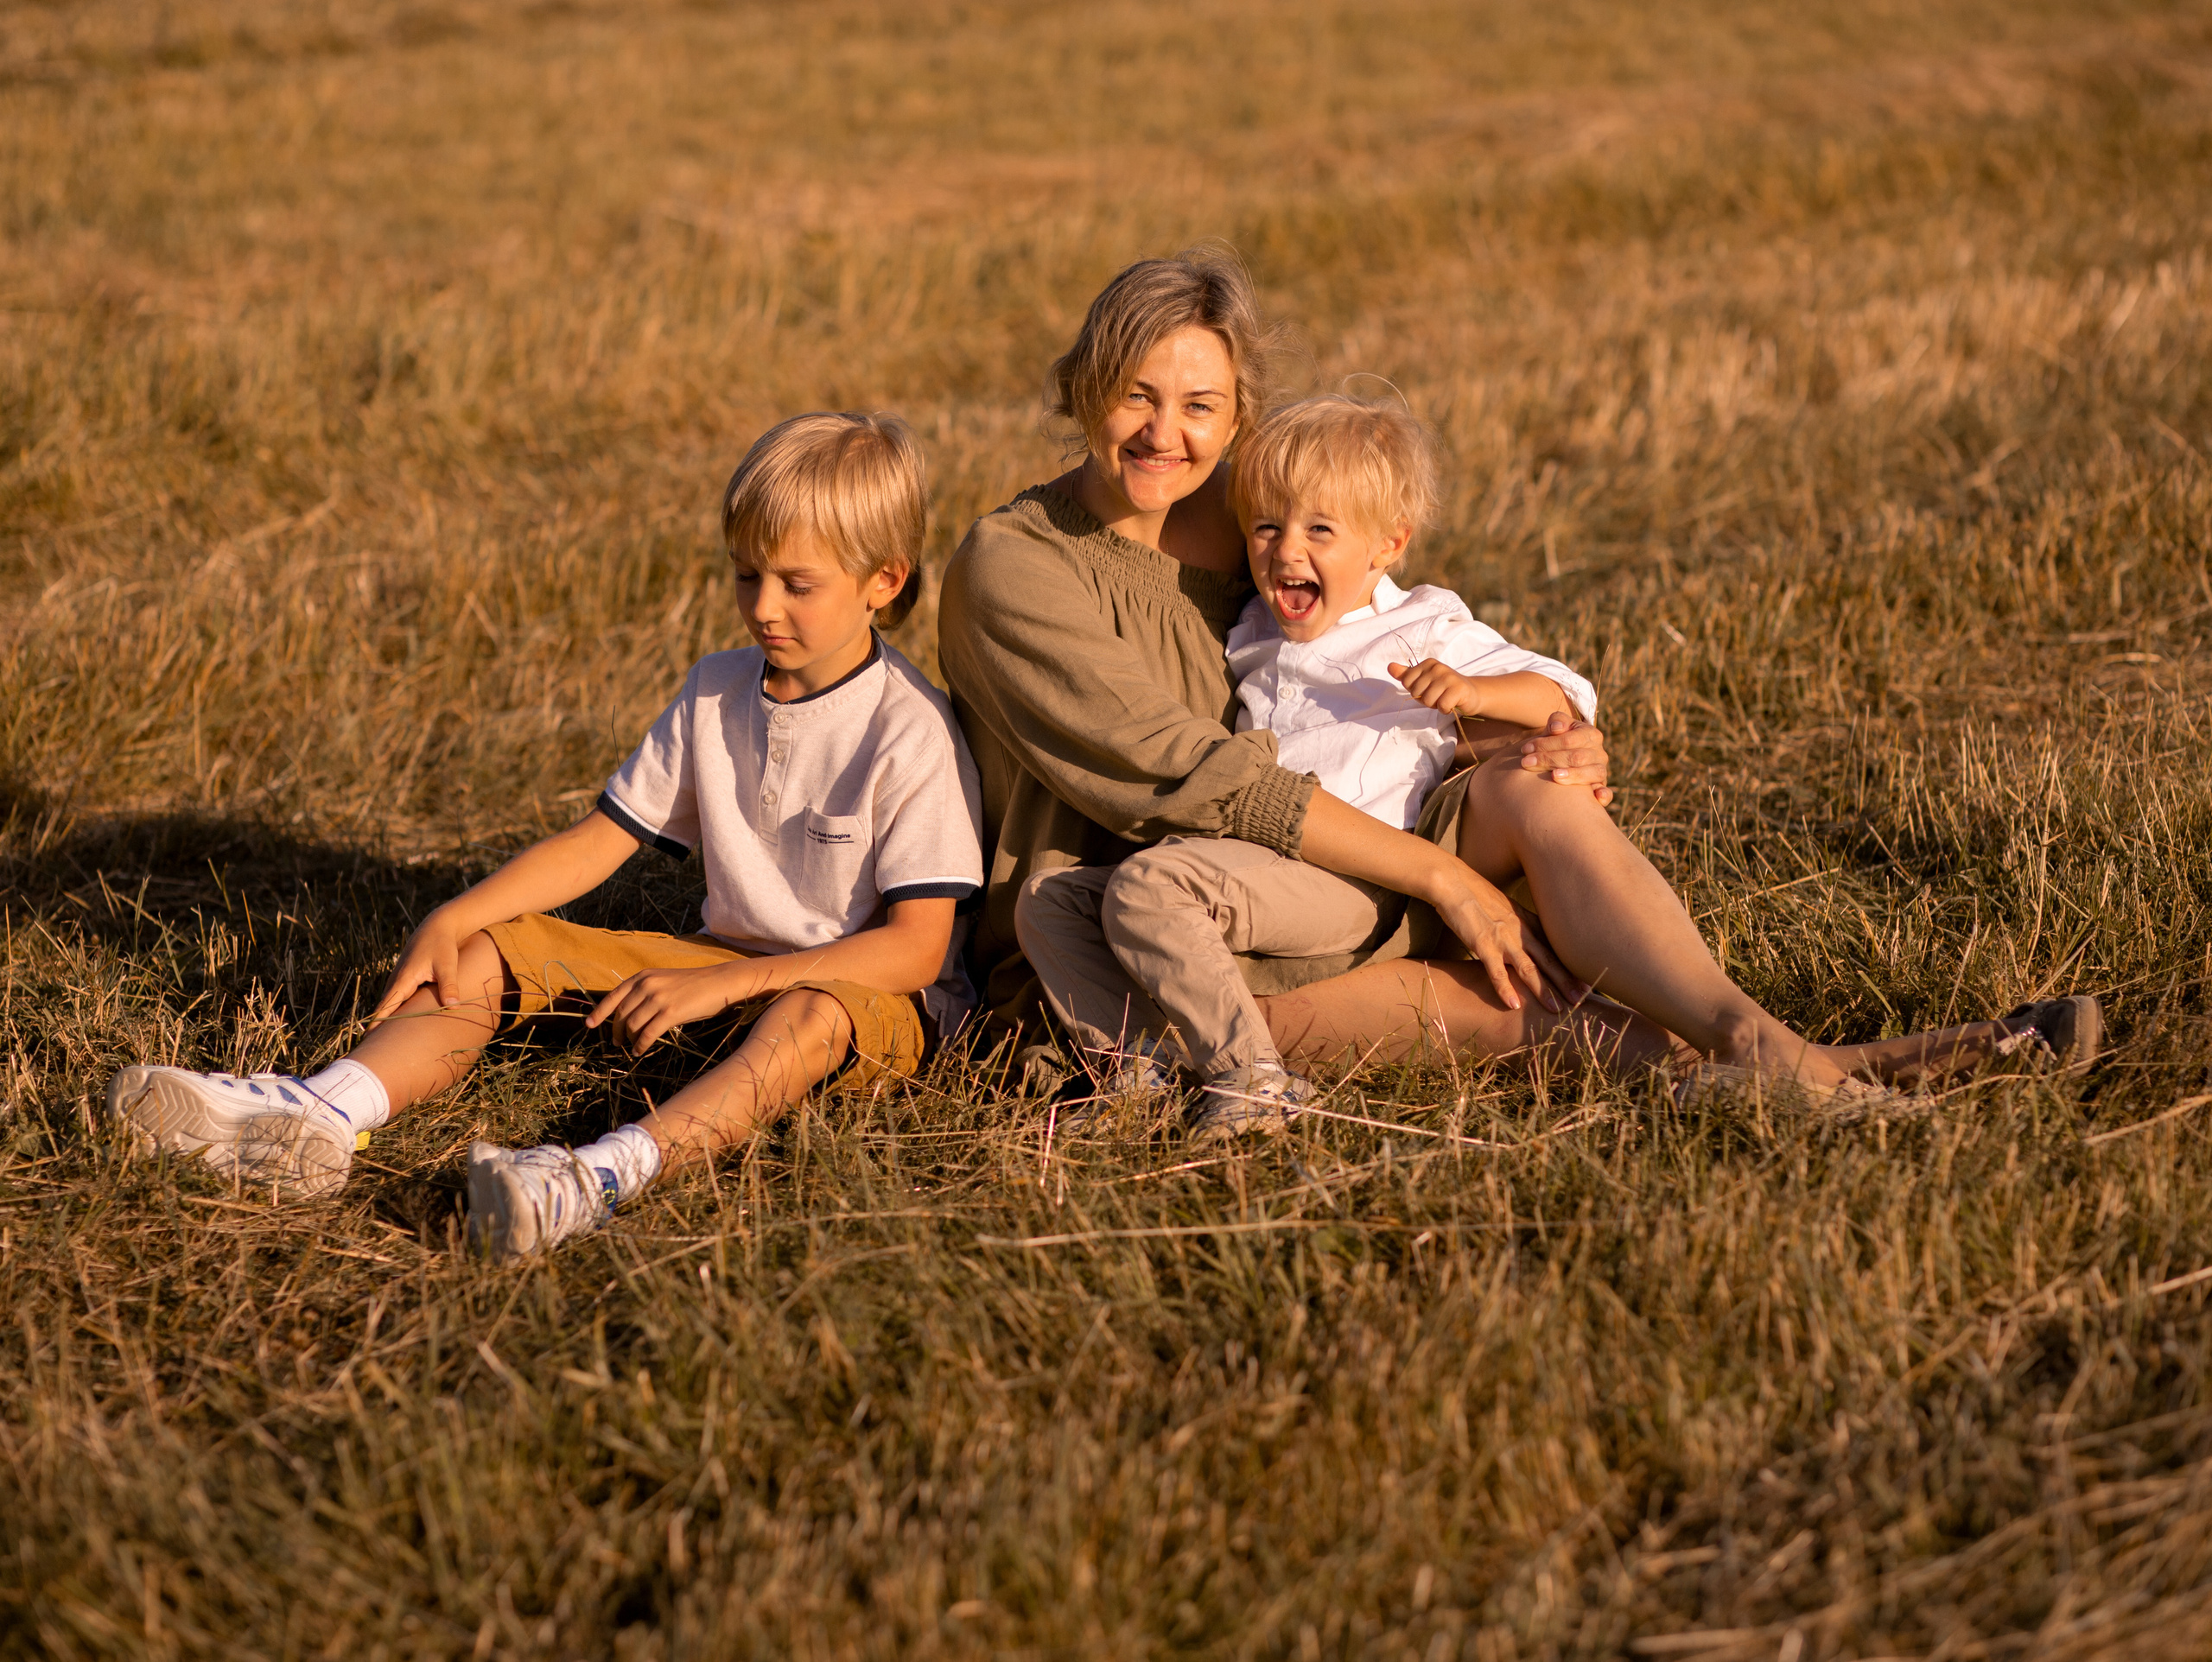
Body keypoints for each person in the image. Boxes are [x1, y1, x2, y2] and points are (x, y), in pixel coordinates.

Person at [938, 250, 2098, 1108]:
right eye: (1135, 394)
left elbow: (1379, 660)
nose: (1165, 434)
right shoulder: (1014, 565)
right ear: (1084, 387)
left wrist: (1536, 738)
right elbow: (1187, 775)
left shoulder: (1255, 523)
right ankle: (1855, 1074)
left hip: (1336, 873)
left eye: (1200, 406)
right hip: (1150, 946)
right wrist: (1448, 881)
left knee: (1529, 794)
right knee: (1527, 1016)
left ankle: (1756, 1039)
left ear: (1240, 417)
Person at [107, 412, 984, 1256]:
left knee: (808, 1015)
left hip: (863, 1005)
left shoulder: (911, 730)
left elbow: (914, 950)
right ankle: (322, 1112)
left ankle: (596, 1178)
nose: (762, 606)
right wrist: (455, 916)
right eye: (744, 574)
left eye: (798, 584)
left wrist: (731, 982)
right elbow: (597, 841)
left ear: (884, 581)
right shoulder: (717, 687)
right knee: (486, 951)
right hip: (714, 966)